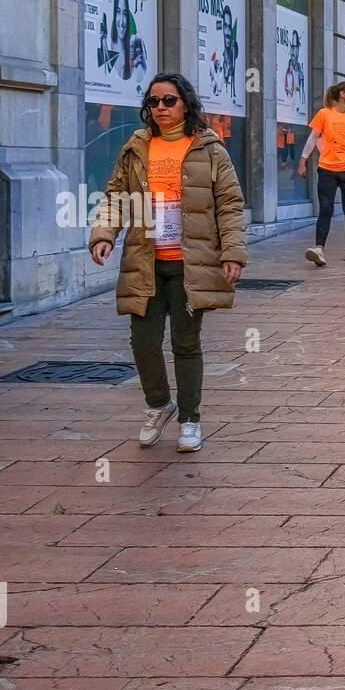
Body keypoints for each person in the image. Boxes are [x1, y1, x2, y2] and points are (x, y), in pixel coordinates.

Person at [88, 71, 246, 455]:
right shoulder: (136, 146)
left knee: (185, 343)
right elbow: (116, 195)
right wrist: (104, 233)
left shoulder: (210, 149)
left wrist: (232, 252)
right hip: (146, 259)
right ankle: (160, 405)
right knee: (143, 342)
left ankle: (190, 419)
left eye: (168, 100)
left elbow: (229, 204)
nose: (160, 108)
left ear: (185, 103)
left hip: (192, 262)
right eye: (153, 102)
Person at [298, 82, 345, 265]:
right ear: (342, 94)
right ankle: (319, 248)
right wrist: (303, 161)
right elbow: (313, 138)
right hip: (327, 169)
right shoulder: (324, 114)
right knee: (325, 208)